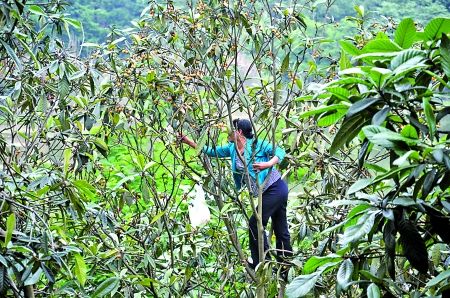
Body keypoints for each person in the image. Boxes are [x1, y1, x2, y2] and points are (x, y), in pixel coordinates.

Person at [179, 118, 292, 270]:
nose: (227, 132)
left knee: (256, 223)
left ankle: (263, 263)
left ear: (238, 132)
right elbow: (211, 151)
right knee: (280, 229)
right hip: (264, 193)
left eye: (230, 130)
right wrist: (188, 141)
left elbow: (280, 151)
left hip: (275, 188)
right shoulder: (232, 148)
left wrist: (268, 164)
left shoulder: (257, 144)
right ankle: (281, 267)